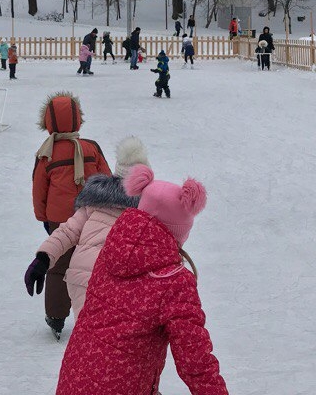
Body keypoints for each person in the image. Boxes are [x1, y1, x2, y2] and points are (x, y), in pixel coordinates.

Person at [55, 165, 228, 395]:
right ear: (178, 231)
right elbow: (195, 360)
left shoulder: (110, 251)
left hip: (75, 378)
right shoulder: (173, 281)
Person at [24, 137, 148, 316]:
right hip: (121, 283)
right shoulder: (150, 211)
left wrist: (43, 259)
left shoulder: (94, 202)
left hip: (82, 279)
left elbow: (67, 231)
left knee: (89, 338)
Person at [31, 93, 111, 339]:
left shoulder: (46, 154)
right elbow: (107, 178)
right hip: (94, 216)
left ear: (48, 122)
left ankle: (56, 316)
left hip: (59, 218)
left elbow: (39, 189)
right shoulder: (91, 147)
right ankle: (99, 310)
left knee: (57, 266)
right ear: (78, 120)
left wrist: (43, 217)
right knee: (94, 263)